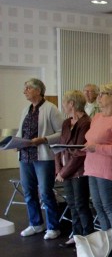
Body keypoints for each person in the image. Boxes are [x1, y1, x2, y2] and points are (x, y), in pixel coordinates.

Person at [83, 82, 112, 257]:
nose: (99, 97)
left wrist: (96, 147)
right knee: (98, 206)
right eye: (99, 94)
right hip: (92, 165)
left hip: (108, 168)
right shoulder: (97, 117)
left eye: (103, 94)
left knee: (110, 207)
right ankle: (106, 240)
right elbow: (91, 141)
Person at [17, 78, 64, 239]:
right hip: (25, 156)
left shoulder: (51, 109)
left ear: (38, 90)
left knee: (45, 192)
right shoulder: (26, 109)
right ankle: (35, 223)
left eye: (28, 88)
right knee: (28, 192)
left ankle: (53, 226)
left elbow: (61, 133)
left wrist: (44, 139)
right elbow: (21, 131)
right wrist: (16, 142)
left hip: (43, 157)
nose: (25, 91)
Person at [55, 90, 93, 247]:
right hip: (66, 170)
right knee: (71, 203)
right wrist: (58, 169)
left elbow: (79, 153)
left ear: (72, 103)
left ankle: (88, 237)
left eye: (64, 102)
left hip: (79, 171)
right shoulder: (65, 123)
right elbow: (60, 147)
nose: (63, 106)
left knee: (81, 204)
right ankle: (76, 234)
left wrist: (64, 172)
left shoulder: (86, 123)